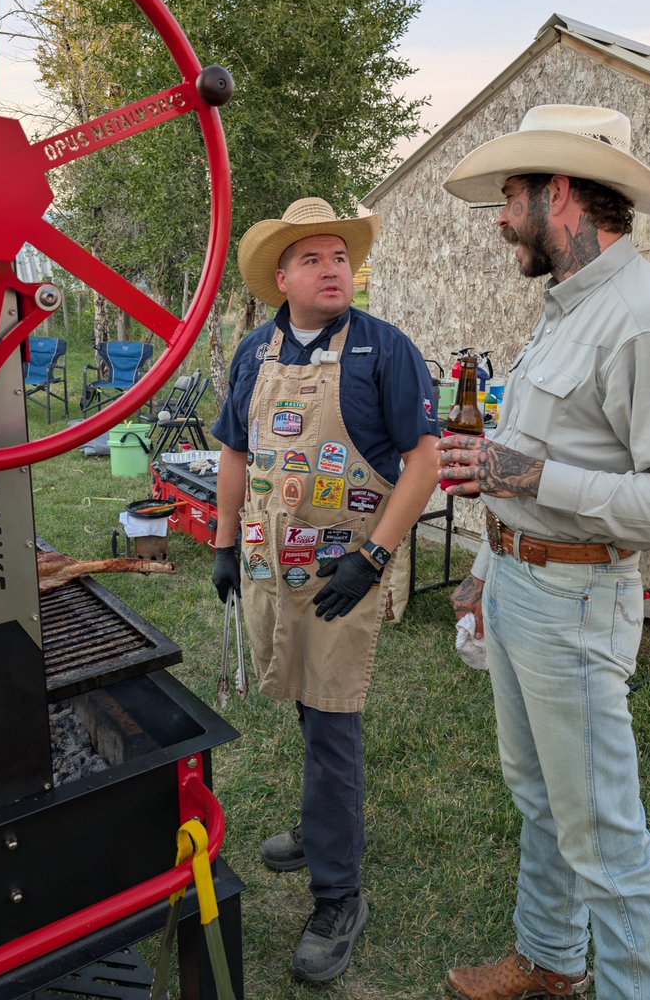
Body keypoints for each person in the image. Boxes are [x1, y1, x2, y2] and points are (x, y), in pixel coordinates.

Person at [439, 105, 650, 1000]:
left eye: (509, 197)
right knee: (537, 798)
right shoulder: (567, 309)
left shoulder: (636, 317)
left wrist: (537, 480)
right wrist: (487, 570)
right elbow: (517, 455)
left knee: (601, 837)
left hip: (578, 600)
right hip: (524, 585)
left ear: (558, 195)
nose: (499, 220)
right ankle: (550, 959)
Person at [211, 196, 440, 984]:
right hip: (275, 564)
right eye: (312, 258)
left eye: (339, 256)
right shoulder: (253, 352)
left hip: (348, 572)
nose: (332, 268)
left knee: (335, 718)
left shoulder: (385, 350)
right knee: (304, 702)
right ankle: (322, 828)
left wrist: (373, 559)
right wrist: (221, 543)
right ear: (281, 277)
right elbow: (237, 453)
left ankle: (338, 894)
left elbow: (423, 464)